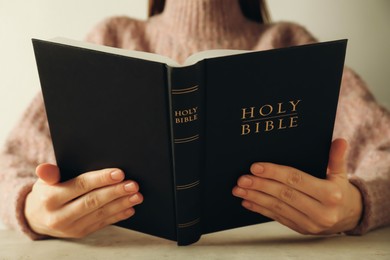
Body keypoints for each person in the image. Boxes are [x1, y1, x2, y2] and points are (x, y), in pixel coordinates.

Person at [1, 0, 389, 240]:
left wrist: (356, 204)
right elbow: (10, 160)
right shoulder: (113, 38)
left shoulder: (290, 43)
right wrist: (32, 210)